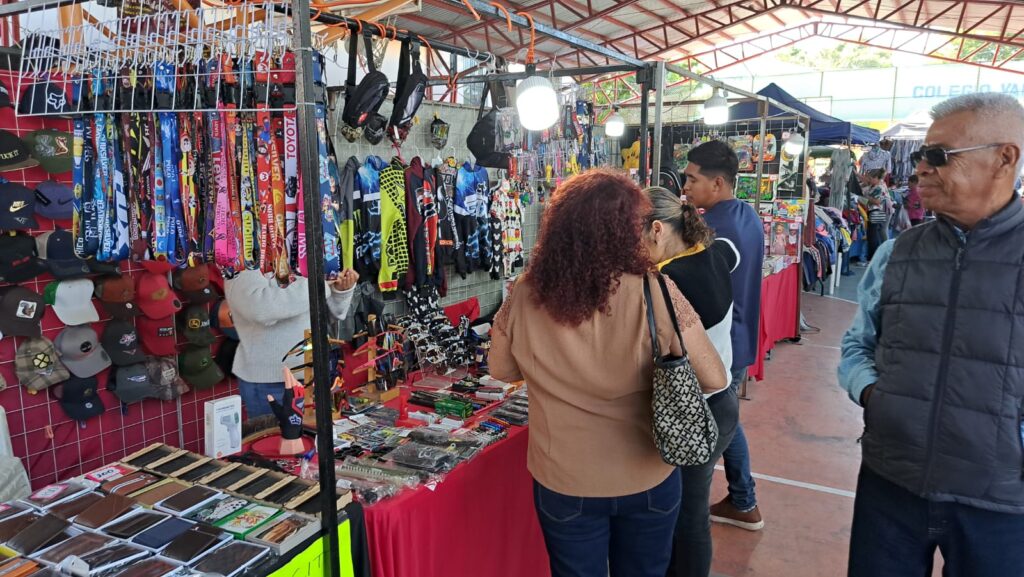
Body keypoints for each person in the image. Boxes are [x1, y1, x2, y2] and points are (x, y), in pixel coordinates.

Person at [489, 169, 727, 577]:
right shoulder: (656, 290)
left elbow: (501, 369)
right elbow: (715, 378)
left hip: (563, 479)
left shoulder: (526, 292)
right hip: (648, 475)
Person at [838, 92, 1024, 576]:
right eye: (921, 156)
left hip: (1001, 501)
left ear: (1005, 157)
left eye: (937, 156)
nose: (920, 169)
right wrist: (876, 394)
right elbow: (857, 344)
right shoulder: (896, 253)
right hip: (890, 482)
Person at [642, 186, 739, 577]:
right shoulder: (715, 253)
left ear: (657, 231)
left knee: (686, 518)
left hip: (693, 410)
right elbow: (735, 251)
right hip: (722, 401)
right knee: (690, 512)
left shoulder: (667, 281)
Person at [682, 140, 765, 531]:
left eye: (691, 178)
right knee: (728, 417)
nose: (684, 185)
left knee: (724, 418)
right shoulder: (745, 214)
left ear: (717, 183)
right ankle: (743, 497)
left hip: (721, 345)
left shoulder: (717, 232)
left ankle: (744, 499)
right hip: (739, 338)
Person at [225, 268, 359, 418]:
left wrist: (341, 292)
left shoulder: (298, 254)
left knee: (314, 439)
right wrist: (319, 284)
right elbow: (262, 310)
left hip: (316, 375)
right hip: (271, 381)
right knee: (277, 439)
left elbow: (329, 315)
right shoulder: (242, 262)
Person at [860, 168, 890, 261]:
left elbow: (877, 201)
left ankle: (872, 258)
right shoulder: (873, 186)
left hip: (876, 212)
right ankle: (872, 257)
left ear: (876, 178)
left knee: (873, 236)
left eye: (870, 178)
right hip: (874, 211)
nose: (869, 180)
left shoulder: (879, 187)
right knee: (872, 235)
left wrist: (865, 198)